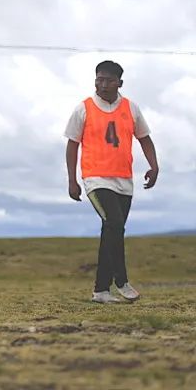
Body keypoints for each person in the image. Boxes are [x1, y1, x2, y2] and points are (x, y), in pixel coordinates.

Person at [65, 60, 159, 304]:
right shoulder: (83, 108)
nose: (103, 85)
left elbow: (144, 138)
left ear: (120, 83)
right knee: (114, 223)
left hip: (124, 181)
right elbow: (72, 145)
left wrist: (154, 165)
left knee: (112, 231)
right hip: (95, 179)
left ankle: (101, 291)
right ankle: (122, 281)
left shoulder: (130, 108)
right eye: (99, 80)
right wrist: (72, 180)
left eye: (108, 80)